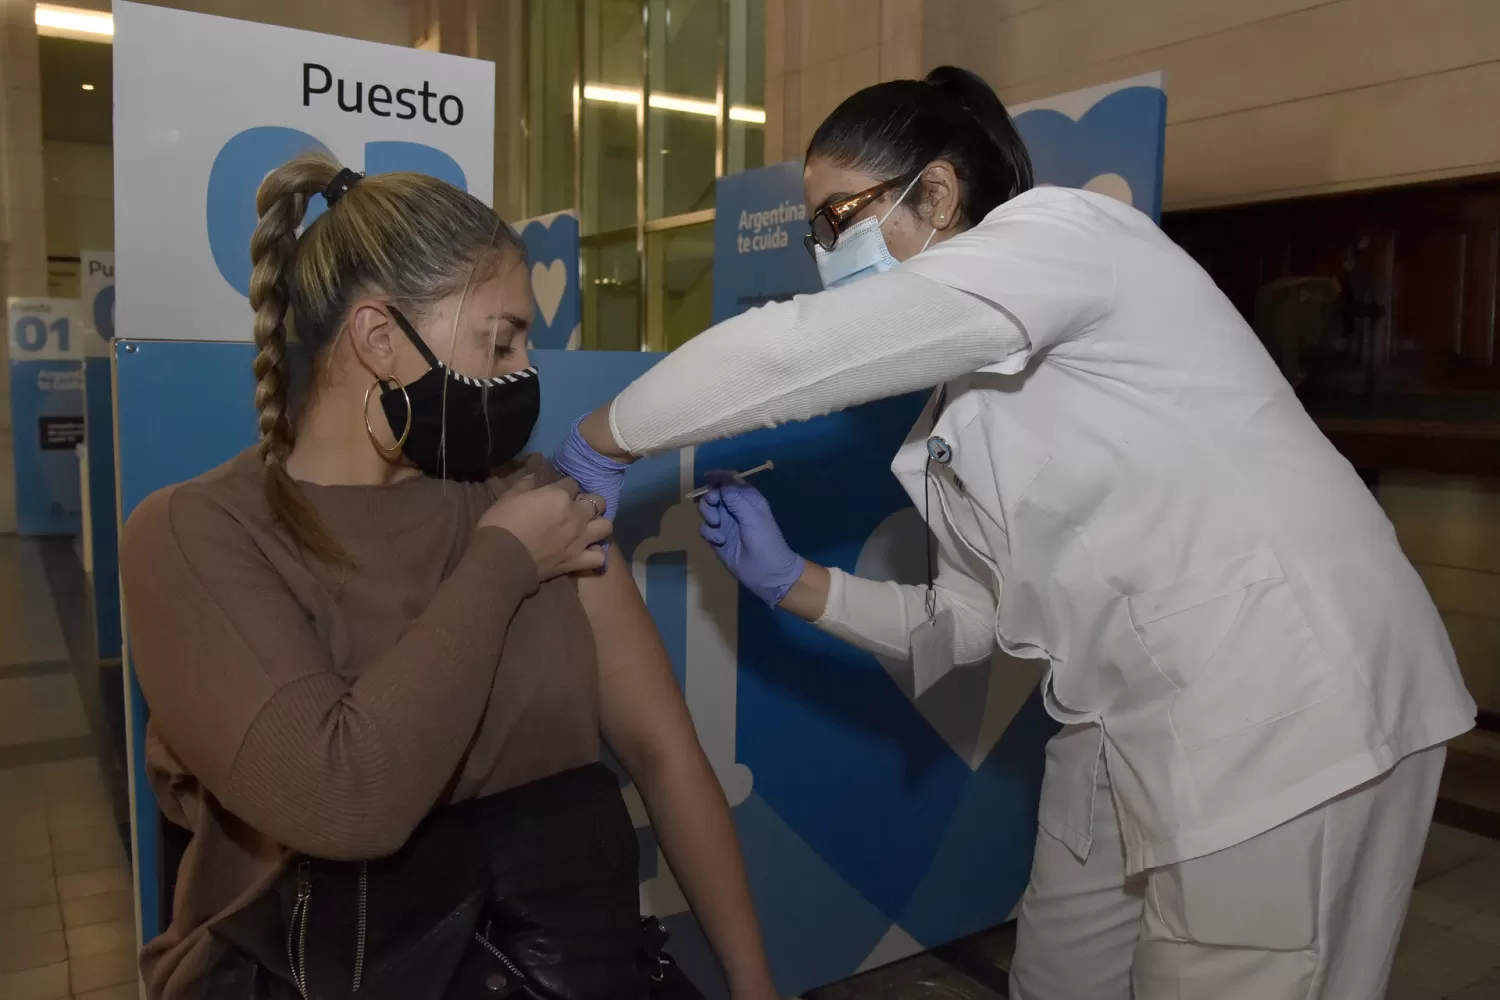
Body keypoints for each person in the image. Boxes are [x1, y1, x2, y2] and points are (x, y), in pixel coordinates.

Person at [552, 67, 1478, 1000]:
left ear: (941, 192)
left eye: (839, 218)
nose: (824, 249)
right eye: (816, 231)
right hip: (1122, 720)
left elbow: (793, 351)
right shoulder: (957, 412)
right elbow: (965, 623)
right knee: (1055, 977)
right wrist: (792, 580)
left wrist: (603, 437)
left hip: (1289, 700)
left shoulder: (1067, 235)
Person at [119, 154, 778, 1000]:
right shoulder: (197, 534)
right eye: (498, 341)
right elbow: (348, 798)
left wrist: (755, 988)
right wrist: (501, 564)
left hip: (559, 964)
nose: (524, 372)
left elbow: (664, 751)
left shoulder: (529, 497)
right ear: (379, 339)